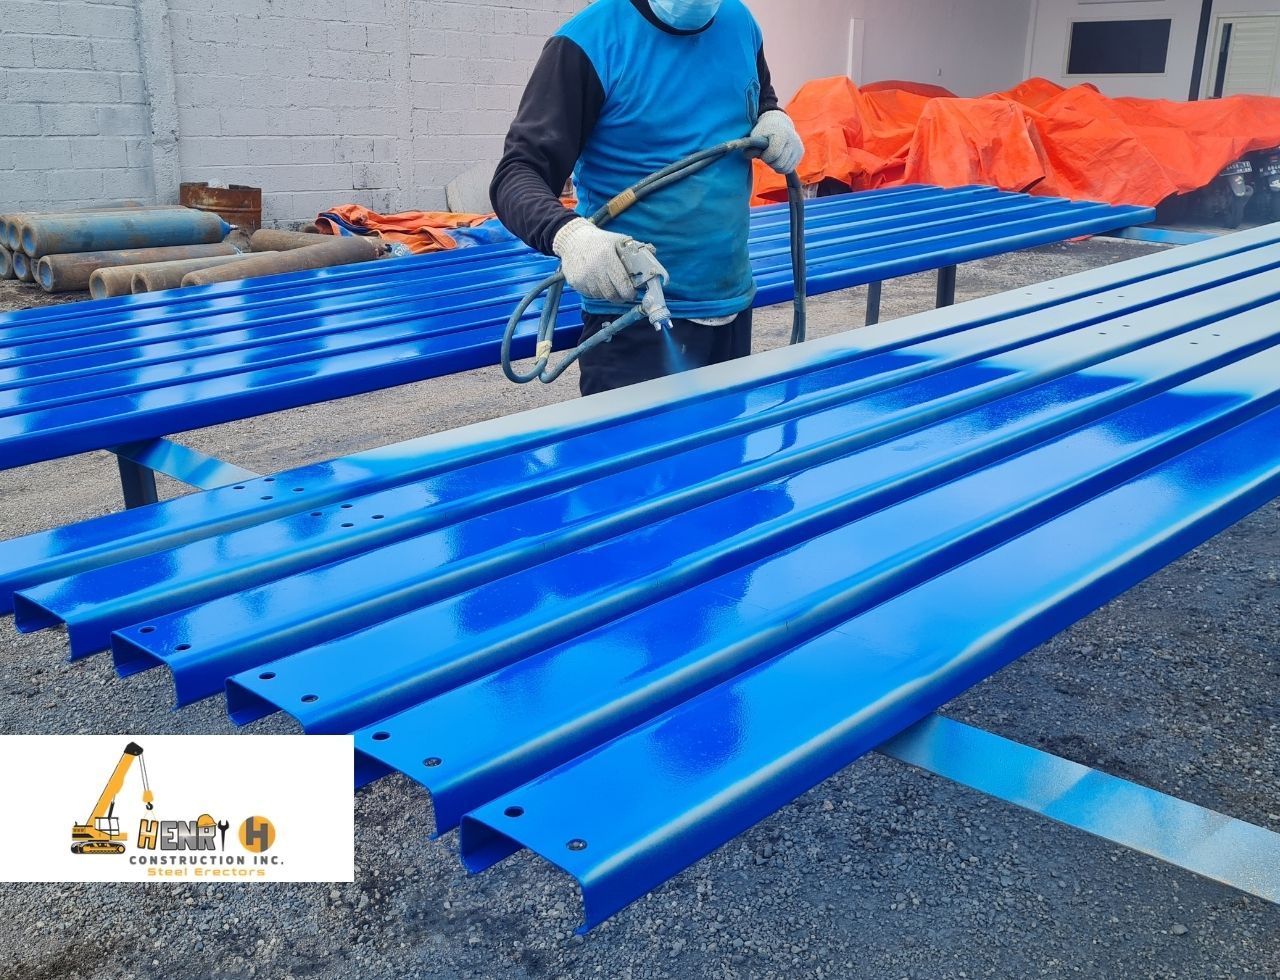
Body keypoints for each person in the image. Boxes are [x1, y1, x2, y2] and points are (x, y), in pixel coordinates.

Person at [490, 0, 804, 397]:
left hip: (730, 301)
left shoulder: (739, 22)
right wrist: (571, 237)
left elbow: (756, 98)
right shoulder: (588, 42)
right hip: (632, 318)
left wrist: (774, 117)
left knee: (722, 454)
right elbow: (517, 174)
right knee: (636, 457)